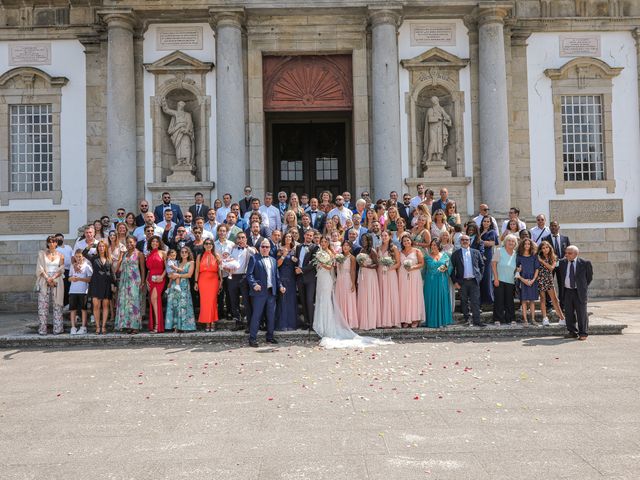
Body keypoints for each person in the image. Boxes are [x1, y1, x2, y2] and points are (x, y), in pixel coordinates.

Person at [247, 239, 285, 347]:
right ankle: (252, 338)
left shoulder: (273, 260)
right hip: (259, 293)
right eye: (263, 246)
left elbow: (276, 277)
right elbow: (249, 275)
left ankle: (270, 337)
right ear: (259, 248)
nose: (265, 248)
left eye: (267, 247)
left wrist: (281, 286)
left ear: (270, 248)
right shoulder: (254, 258)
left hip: (271, 292)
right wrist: (254, 284)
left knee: (271, 316)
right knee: (256, 316)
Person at [558, 246, 593, 340]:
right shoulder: (562, 263)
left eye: (569, 253)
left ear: (576, 254)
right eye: (566, 253)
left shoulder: (585, 263)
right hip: (567, 291)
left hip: (579, 291)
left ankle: (583, 333)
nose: (566, 255)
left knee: (581, 313)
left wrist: (582, 287)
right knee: (569, 313)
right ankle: (572, 332)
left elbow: (589, 278)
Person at [451, 235, 486, 327]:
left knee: (475, 301)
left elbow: (482, 265)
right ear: (460, 241)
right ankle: (467, 320)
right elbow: (451, 269)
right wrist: (455, 282)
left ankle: (477, 321)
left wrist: (480, 277)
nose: (465, 241)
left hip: (474, 281)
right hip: (462, 282)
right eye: (462, 240)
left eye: (466, 240)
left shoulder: (476, 252)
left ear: (469, 241)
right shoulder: (456, 254)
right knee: (464, 301)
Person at [114, 236, 145, 333]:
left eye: (131, 242)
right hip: (124, 280)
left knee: (134, 303)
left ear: (135, 242)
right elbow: (119, 268)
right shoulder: (125, 254)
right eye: (127, 242)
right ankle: (127, 324)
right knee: (124, 302)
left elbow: (143, 269)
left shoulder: (139, 254)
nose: (129, 244)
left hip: (134, 281)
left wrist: (142, 282)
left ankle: (135, 326)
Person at [35, 236, 65, 335]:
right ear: (47, 243)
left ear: (56, 243)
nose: (51, 244)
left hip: (57, 281)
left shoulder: (61, 255)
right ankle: (43, 329)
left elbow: (62, 268)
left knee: (57, 305)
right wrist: (48, 278)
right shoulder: (42, 254)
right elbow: (40, 268)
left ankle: (58, 329)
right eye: (49, 242)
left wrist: (53, 278)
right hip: (44, 281)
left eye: (53, 242)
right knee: (43, 306)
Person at [227, 232, 255, 331]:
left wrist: (246, 246)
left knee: (246, 301)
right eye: (239, 238)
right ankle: (238, 322)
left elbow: (255, 253)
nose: (241, 239)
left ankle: (249, 324)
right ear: (236, 239)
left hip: (244, 277)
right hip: (233, 277)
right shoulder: (232, 249)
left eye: (243, 237)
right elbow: (227, 260)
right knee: (234, 301)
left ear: (246, 239)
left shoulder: (249, 249)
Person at [423, 238, 453, 328]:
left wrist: (440, 270)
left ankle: (442, 320)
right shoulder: (427, 257)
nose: (433, 247)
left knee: (441, 298)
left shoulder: (445, 256)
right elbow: (423, 270)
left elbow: (449, 266)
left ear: (439, 246)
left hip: (442, 280)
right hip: (430, 282)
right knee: (430, 299)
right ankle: (430, 321)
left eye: (435, 245)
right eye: (431, 245)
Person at [165, 247, 196, 333]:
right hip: (174, 285)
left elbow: (189, 275)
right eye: (182, 252)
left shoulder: (191, 262)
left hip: (184, 285)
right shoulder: (177, 262)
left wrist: (178, 275)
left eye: (186, 252)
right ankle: (176, 326)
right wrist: (171, 276)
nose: (184, 253)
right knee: (175, 305)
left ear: (188, 253)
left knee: (184, 305)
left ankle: (185, 326)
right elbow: (169, 272)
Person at [541, 221, 571, 308]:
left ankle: (562, 304)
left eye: (555, 226)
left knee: (562, 284)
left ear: (558, 227)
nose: (553, 227)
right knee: (548, 284)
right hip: (549, 265)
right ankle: (549, 305)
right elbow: (543, 252)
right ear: (549, 228)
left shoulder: (565, 238)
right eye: (552, 226)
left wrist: (566, 257)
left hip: (562, 265)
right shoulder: (545, 239)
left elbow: (569, 251)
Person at [194, 239, 222, 332]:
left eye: (210, 243)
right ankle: (207, 322)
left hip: (214, 280)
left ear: (213, 245)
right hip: (203, 280)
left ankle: (213, 322)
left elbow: (220, 269)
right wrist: (196, 282)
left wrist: (221, 281)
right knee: (204, 302)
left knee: (213, 301)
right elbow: (197, 270)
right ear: (204, 245)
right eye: (206, 243)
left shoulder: (216, 255)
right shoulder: (199, 256)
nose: (208, 245)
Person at [399, 234, 425, 328]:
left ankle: (415, 318)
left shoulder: (417, 251)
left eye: (408, 240)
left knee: (414, 296)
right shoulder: (400, 252)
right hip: (403, 275)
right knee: (404, 296)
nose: (406, 242)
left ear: (411, 241)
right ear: (402, 243)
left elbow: (422, 263)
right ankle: (405, 318)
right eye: (404, 241)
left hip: (414, 275)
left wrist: (412, 267)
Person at [537, 241, 566, 327]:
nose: (545, 249)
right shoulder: (538, 256)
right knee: (542, 299)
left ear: (550, 248)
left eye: (547, 247)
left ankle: (562, 318)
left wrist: (542, 261)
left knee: (555, 299)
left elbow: (551, 268)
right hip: (540, 279)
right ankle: (545, 318)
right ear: (541, 249)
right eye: (543, 248)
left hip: (549, 279)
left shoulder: (553, 257)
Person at [492, 234, 518, 326]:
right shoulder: (499, 250)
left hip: (510, 280)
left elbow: (517, 267)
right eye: (509, 241)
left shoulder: (516, 254)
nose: (511, 242)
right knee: (499, 300)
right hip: (499, 279)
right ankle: (497, 319)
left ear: (515, 243)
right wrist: (495, 278)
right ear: (505, 242)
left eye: (513, 241)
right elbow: (493, 264)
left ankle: (511, 319)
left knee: (509, 301)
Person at [377, 230, 401, 328]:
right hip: (380, 273)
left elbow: (398, 263)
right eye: (382, 236)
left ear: (390, 236)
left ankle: (392, 320)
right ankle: (383, 320)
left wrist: (389, 268)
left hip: (390, 273)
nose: (384, 237)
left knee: (390, 295)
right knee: (382, 295)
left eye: (385, 235)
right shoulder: (378, 248)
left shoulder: (393, 248)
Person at [89, 240, 115, 334]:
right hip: (95, 284)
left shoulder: (109, 259)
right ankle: (97, 326)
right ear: (97, 248)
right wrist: (89, 246)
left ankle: (103, 326)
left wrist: (115, 284)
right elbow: (84, 254)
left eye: (103, 246)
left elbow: (112, 273)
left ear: (106, 248)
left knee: (105, 306)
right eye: (99, 246)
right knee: (96, 306)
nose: (101, 248)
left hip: (106, 284)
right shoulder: (94, 258)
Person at [295, 229, 319, 328]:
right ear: (304, 235)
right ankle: (306, 322)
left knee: (309, 300)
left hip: (310, 278)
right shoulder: (298, 247)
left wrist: (302, 270)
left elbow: (313, 263)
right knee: (303, 300)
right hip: (299, 278)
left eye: (311, 236)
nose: (309, 237)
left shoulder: (315, 247)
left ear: (313, 237)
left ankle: (312, 323)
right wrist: (295, 266)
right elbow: (297, 260)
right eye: (307, 235)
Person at [356, 233, 380, 330]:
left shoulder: (372, 251)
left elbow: (377, 265)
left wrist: (367, 266)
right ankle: (363, 319)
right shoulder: (361, 250)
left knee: (369, 296)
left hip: (370, 275)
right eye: (362, 240)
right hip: (362, 274)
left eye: (365, 240)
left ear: (369, 241)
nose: (363, 242)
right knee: (363, 295)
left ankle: (370, 321)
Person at [276, 232, 298, 331]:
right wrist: (284, 256)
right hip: (283, 277)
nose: (288, 238)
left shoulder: (295, 250)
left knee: (292, 300)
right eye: (287, 237)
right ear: (284, 238)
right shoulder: (280, 250)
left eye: (290, 237)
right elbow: (277, 265)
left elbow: (299, 263)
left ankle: (292, 324)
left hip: (292, 278)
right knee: (283, 300)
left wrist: (295, 260)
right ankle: (283, 324)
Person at [516, 238, 540, 326]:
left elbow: (537, 269)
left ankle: (533, 319)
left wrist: (533, 280)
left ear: (531, 245)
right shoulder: (519, 256)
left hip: (532, 280)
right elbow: (517, 270)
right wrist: (523, 280)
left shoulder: (534, 256)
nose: (527, 245)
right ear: (522, 245)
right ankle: (525, 320)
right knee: (524, 301)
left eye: (528, 244)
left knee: (532, 301)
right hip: (522, 280)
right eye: (525, 244)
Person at [145, 236, 167, 333]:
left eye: (156, 242)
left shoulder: (163, 253)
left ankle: (158, 325)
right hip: (150, 279)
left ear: (159, 243)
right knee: (153, 300)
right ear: (150, 243)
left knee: (155, 299)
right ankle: (155, 324)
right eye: (153, 241)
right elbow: (149, 269)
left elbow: (167, 268)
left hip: (160, 278)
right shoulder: (148, 254)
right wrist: (146, 279)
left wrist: (162, 277)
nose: (154, 243)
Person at [335, 240, 358, 329]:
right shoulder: (339, 256)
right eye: (344, 245)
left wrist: (353, 283)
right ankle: (340, 321)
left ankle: (349, 321)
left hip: (347, 278)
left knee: (348, 299)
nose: (345, 247)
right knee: (340, 298)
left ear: (350, 247)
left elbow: (353, 271)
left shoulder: (352, 257)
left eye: (347, 245)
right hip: (339, 279)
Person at [68, 249, 92, 335]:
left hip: (83, 291)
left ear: (83, 257)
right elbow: (69, 278)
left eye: (80, 256)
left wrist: (79, 279)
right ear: (74, 257)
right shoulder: (72, 266)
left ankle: (83, 327)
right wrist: (72, 279)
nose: (78, 258)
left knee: (83, 309)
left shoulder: (87, 266)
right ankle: (73, 327)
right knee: (72, 309)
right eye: (77, 256)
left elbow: (89, 279)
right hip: (73, 291)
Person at [479, 215, 499, 305]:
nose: (486, 223)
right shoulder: (479, 231)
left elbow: (492, 243)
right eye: (484, 221)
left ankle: (488, 298)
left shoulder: (492, 232)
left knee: (486, 275)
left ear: (490, 223)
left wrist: (479, 241)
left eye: (488, 221)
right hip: (478, 255)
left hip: (488, 255)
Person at [54, 233, 73, 308]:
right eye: (57, 239)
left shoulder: (68, 247)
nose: (59, 240)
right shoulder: (55, 249)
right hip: (62, 272)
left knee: (70, 288)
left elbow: (72, 257)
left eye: (60, 238)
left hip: (70, 270)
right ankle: (64, 305)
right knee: (64, 289)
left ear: (63, 239)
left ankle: (70, 306)